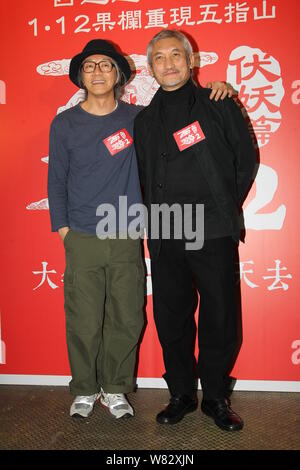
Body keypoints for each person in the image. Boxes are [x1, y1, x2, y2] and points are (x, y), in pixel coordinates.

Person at [47, 38, 234, 420]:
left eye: (105, 65)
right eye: (89, 66)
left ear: (119, 74)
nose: (97, 72)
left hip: (128, 232)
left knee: (128, 315)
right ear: (80, 76)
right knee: (82, 318)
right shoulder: (64, 122)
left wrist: (222, 89)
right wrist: (63, 229)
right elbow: (56, 180)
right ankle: (84, 388)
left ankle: (115, 388)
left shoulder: (138, 118)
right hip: (82, 234)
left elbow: (182, 125)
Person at [134, 30, 256, 431]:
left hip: (212, 228)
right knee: (172, 315)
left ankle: (217, 396)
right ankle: (182, 393)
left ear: (192, 62)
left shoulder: (218, 103)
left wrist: (222, 203)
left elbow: (246, 158)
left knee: (220, 313)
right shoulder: (144, 120)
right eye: (159, 58)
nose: (168, 63)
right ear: (150, 68)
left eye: (176, 55)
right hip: (165, 230)